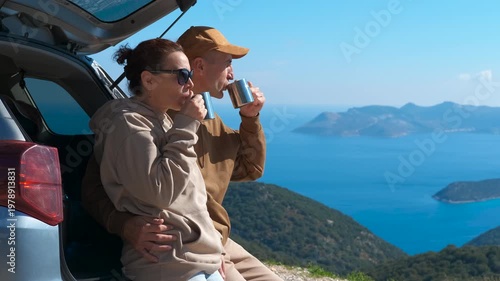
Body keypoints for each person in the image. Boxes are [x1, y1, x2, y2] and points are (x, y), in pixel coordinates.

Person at [82, 26, 282, 281]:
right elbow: (95, 185)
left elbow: (250, 169)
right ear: (198, 65)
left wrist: (250, 118)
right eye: (228, 64)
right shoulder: (148, 119)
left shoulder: (206, 121)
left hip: (211, 239)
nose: (233, 74)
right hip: (181, 248)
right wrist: (123, 225)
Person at [87, 38, 224, 281]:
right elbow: (160, 192)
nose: (190, 83)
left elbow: (191, 198)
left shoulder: (160, 120)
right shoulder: (128, 125)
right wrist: (187, 125)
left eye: (189, 74)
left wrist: (213, 250)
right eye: (182, 75)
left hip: (193, 258)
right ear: (149, 80)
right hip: (170, 265)